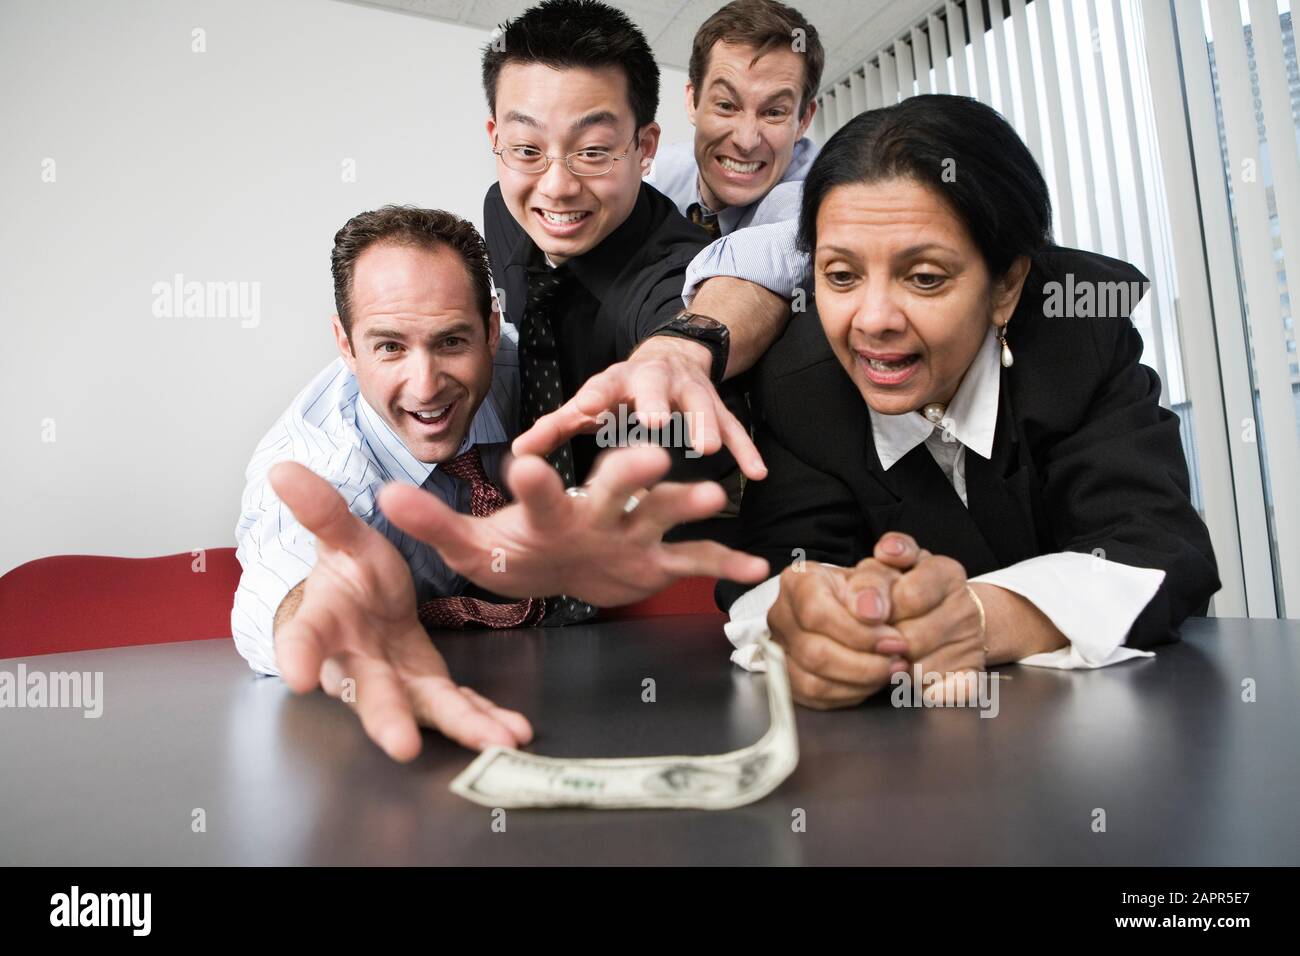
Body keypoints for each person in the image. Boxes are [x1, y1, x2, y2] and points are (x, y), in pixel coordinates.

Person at [717, 95, 1220, 709]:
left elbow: (1157, 551)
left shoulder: (1079, 337)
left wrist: (976, 617)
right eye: (841, 276)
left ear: (1006, 285)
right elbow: (774, 577)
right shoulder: (799, 383)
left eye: (925, 277)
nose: (871, 321)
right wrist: (814, 624)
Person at [232, 206, 767, 760]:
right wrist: (333, 624)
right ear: (344, 344)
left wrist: (684, 346)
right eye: (389, 346)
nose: (426, 386)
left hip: (599, 699)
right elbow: (278, 583)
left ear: (491, 330)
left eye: (451, 343)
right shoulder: (317, 462)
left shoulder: (540, 365)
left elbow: (769, 260)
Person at [479, 0, 788, 500]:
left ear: (644, 148)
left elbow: (688, 368)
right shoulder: (503, 208)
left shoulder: (680, 275)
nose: (555, 187)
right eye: (527, 149)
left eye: (593, 151)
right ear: (497, 139)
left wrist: (680, 357)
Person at [646, 0, 822, 238]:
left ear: (803, 121)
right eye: (726, 106)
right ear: (692, 101)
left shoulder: (821, 197)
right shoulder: (654, 174)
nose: (746, 141)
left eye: (774, 113)